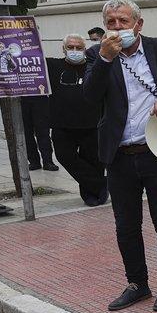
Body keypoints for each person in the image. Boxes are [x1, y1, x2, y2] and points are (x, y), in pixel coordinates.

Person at [82, 0, 157, 312]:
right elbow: (89, 97)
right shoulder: (96, 54)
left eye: (124, 21)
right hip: (119, 154)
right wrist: (105, 59)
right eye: (111, 22)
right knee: (126, 225)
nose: (118, 28)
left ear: (138, 24)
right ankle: (137, 283)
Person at [47, 34, 106, 205]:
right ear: (63, 49)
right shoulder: (52, 66)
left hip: (92, 124)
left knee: (93, 161)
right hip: (62, 124)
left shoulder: (92, 66)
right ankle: (102, 184)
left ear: (85, 49)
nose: (75, 51)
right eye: (70, 47)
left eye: (79, 48)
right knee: (64, 156)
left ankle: (93, 195)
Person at [21, 90, 56, 170]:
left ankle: (48, 161)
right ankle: (34, 161)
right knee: (27, 133)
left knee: (43, 131)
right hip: (22, 98)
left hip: (40, 97)